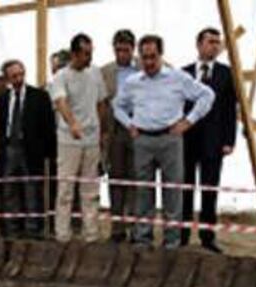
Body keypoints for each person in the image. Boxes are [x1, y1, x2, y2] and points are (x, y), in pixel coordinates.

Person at [113, 34, 215, 249]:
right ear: (139, 57)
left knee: (172, 192)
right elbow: (117, 105)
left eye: (153, 57)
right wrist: (128, 124)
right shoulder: (133, 83)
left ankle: (172, 241)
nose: (149, 62)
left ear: (161, 55)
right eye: (144, 57)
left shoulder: (178, 78)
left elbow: (207, 96)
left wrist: (188, 122)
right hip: (142, 140)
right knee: (143, 192)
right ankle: (143, 238)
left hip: (170, 139)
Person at [182, 27, 237, 254]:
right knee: (184, 189)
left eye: (217, 42)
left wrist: (229, 140)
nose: (214, 45)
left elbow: (230, 110)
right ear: (199, 45)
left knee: (209, 190)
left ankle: (207, 236)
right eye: (210, 41)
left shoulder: (226, 73)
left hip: (214, 143)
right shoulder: (184, 73)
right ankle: (182, 234)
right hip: (187, 141)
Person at [51, 33, 107, 243]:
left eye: (91, 53)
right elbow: (61, 102)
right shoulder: (61, 76)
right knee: (65, 189)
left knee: (90, 189)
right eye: (85, 54)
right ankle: (62, 233)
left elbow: (102, 102)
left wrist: (100, 129)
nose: (89, 57)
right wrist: (72, 123)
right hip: (68, 141)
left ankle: (91, 233)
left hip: (91, 139)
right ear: (74, 53)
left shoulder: (95, 73)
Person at [0, 59, 57, 239]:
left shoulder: (39, 96)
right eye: (14, 76)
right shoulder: (1, 99)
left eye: (21, 74)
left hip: (31, 150)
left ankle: (33, 229)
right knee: (9, 189)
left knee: (32, 190)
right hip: (9, 148)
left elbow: (48, 126)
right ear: (7, 78)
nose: (18, 79)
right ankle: (12, 228)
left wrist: (48, 153)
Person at [102, 29, 140, 243]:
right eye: (118, 50)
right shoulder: (106, 71)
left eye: (125, 50)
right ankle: (117, 228)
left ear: (133, 49)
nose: (122, 54)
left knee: (135, 179)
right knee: (115, 179)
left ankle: (135, 228)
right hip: (115, 130)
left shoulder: (144, 67)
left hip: (138, 128)